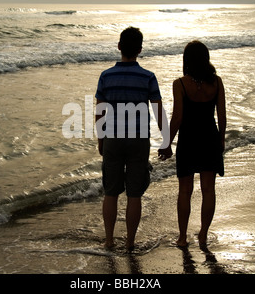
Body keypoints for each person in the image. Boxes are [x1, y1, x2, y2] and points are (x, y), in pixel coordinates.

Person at [95, 27, 164, 251]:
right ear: (140, 50)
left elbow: (100, 111)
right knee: (135, 194)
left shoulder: (106, 76)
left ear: (119, 47)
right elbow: (158, 112)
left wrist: (100, 139)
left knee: (111, 192)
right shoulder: (147, 77)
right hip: (138, 139)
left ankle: (108, 240)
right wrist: (166, 141)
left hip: (113, 138)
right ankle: (131, 242)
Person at [158, 40, 226, 250]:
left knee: (185, 191)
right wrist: (221, 139)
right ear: (206, 59)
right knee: (208, 189)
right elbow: (222, 116)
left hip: (188, 140)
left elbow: (177, 118)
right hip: (209, 138)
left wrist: (167, 143)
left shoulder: (180, 84)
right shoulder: (217, 82)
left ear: (186, 60)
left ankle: (182, 237)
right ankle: (203, 235)